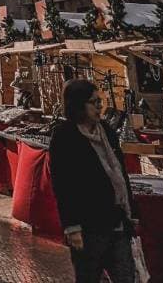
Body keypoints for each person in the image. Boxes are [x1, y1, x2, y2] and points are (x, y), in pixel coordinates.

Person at [49, 79, 136, 283]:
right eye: (93, 102)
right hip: (89, 227)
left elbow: (120, 172)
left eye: (100, 101)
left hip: (118, 221)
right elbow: (63, 186)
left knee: (126, 277)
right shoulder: (65, 136)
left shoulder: (106, 131)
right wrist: (72, 227)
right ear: (78, 105)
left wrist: (132, 209)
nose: (99, 106)